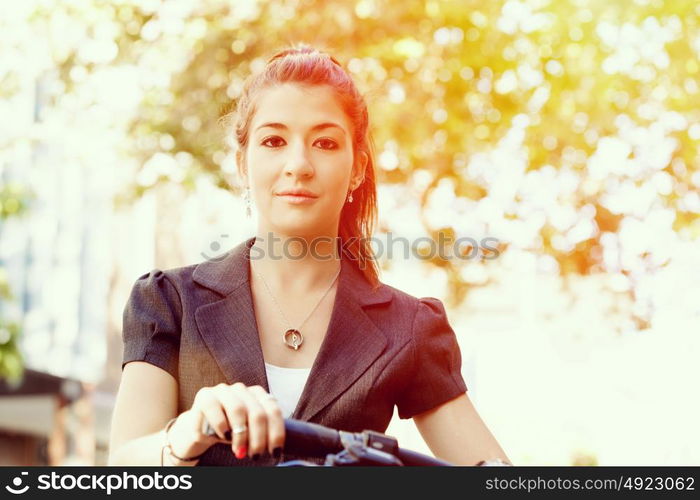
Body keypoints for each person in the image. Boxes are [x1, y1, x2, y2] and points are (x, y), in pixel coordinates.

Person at [108, 45, 509, 466]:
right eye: (274, 141)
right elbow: (120, 469)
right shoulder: (170, 302)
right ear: (243, 162)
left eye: (324, 143)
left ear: (357, 168)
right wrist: (187, 434)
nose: (298, 164)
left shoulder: (408, 327)